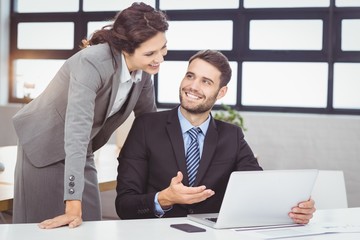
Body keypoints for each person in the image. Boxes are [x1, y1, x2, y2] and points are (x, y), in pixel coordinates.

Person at [12, 2, 168, 229]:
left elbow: (149, 125)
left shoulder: (143, 74)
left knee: (91, 224)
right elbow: (77, 129)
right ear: (126, 48)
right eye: (150, 53)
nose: (160, 59)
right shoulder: (92, 62)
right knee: (45, 228)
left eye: (163, 48)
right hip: (42, 145)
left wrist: (166, 178)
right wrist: (73, 205)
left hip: (81, 149)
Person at [115, 50, 316, 224]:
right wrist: (164, 199)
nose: (193, 86)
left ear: (221, 92)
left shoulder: (232, 136)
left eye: (206, 81)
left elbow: (259, 189)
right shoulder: (146, 127)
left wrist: (296, 207)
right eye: (190, 76)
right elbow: (124, 205)